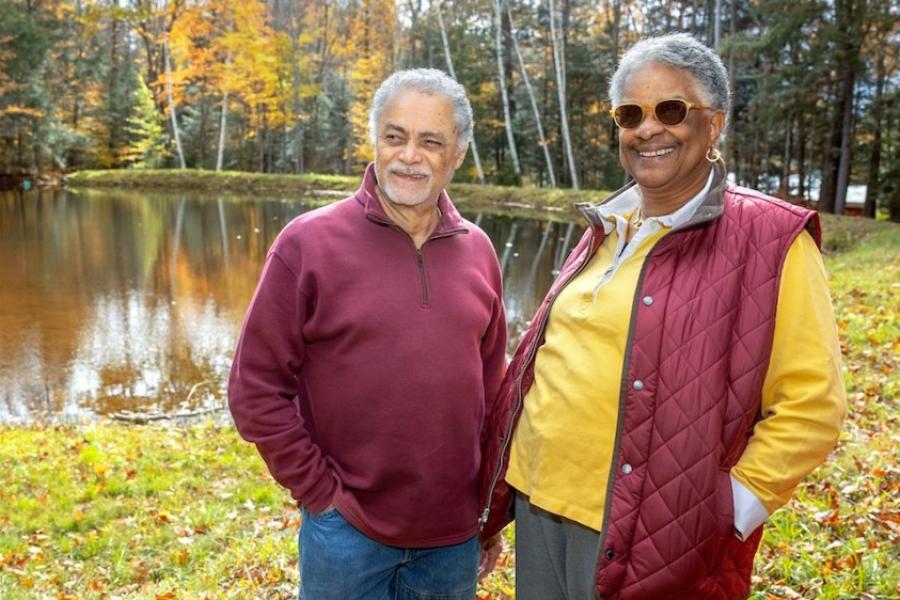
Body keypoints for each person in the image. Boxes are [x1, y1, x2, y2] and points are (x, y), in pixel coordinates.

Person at [479, 33, 847, 599]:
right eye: (630, 114)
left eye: (670, 110)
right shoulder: (606, 226)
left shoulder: (770, 239)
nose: (647, 129)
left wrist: (726, 513)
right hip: (538, 504)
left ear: (714, 123)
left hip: (649, 533)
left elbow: (812, 406)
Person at [228, 68, 507, 600]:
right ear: (375, 138)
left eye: (431, 142)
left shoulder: (479, 251)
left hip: (452, 537)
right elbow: (255, 388)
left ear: (459, 153)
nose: (409, 156)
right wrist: (320, 493)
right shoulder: (307, 244)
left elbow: (494, 397)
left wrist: (488, 513)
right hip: (346, 531)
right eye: (395, 136)